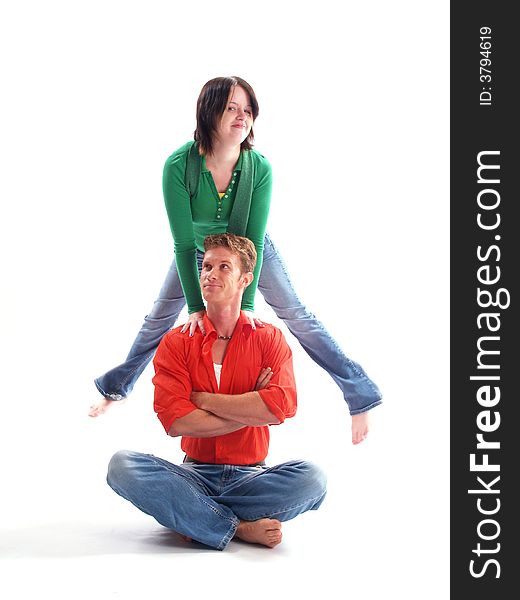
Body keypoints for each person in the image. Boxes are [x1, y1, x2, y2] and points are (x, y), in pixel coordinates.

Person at [90, 75, 382, 444]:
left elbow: (253, 240)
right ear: (209, 112)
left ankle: (360, 395)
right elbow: (182, 245)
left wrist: (244, 306)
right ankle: (116, 388)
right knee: (158, 320)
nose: (242, 116)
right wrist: (196, 307)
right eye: (231, 107)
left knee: (296, 313)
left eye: (247, 109)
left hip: (248, 250)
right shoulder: (179, 166)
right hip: (198, 251)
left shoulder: (259, 168)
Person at [107, 234, 327, 550]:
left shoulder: (269, 340)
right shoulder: (176, 342)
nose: (211, 273)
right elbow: (177, 422)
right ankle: (236, 526)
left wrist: (203, 400)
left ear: (245, 280)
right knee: (122, 466)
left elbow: (282, 406)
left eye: (224, 267)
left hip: (252, 478)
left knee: (313, 478)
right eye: (207, 266)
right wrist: (253, 409)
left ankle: (194, 516)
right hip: (192, 474)